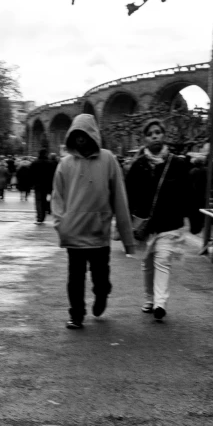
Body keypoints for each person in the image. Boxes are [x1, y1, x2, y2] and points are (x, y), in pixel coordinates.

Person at [51, 114, 135, 329]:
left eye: (84, 134)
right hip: (74, 233)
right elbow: (57, 199)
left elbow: (119, 198)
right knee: (75, 278)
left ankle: (102, 293)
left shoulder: (108, 160)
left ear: (93, 134)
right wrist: (62, 225)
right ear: (72, 136)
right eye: (76, 134)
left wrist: (128, 239)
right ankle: (76, 315)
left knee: (100, 276)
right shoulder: (64, 164)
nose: (80, 139)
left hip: (99, 234)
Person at [126, 119, 202, 322]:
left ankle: (160, 303)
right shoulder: (139, 165)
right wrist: (125, 219)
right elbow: (128, 194)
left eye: (158, 132)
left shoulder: (177, 164)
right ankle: (149, 298)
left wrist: (195, 218)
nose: (154, 136)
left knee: (162, 260)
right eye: (150, 133)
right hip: (144, 223)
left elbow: (189, 192)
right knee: (148, 262)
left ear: (163, 135)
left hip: (169, 222)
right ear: (145, 138)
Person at [30, 148, 56, 224]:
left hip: (38, 185)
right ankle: (44, 214)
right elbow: (53, 175)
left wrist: (32, 183)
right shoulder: (50, 163)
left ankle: (39, 217)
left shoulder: (35, 163)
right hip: (47, 185)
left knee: (38, 201)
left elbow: (31, 174)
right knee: (46, 200)